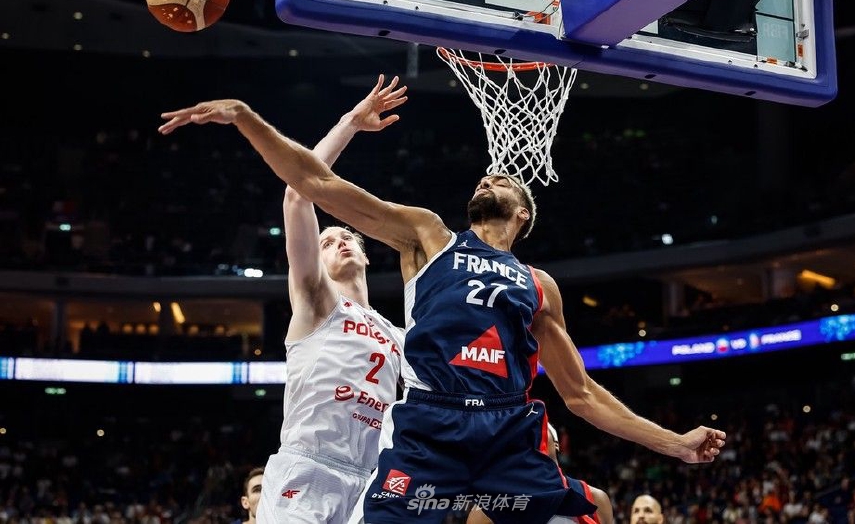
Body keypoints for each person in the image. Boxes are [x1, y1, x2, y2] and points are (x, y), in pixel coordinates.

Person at [158, 74, 727, 524]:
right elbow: (315, 185)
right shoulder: (429, 236)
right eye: (483, 178)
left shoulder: (538, 284)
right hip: (429, 427)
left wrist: (675, 444)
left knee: (592, 506)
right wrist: (246, 118)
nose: (487, 178)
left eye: (500, 181)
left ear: (522, 213)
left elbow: (580, 394)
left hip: (507, 428)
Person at [250, 78, 407, 523]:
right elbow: (298, 192)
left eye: (347, 237)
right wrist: (350, 123)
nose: (339, 241)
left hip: (371, 479)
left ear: (365, 255)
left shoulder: (398, 335)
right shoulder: (317, 302)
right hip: (309, 468)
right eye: (327, 240)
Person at [467, 423, 614, 524]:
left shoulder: (596, 498)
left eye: (538, 427)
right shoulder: (486, 511)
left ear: (556, 444)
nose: (532, 437)